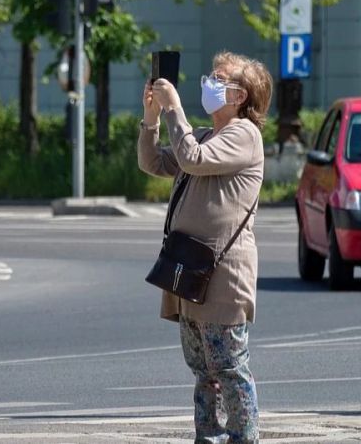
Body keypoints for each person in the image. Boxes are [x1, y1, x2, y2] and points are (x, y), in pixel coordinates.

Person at [138, 51, 273, 444]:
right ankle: (209, 437)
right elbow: (153, 162)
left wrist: (174, 109)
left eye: (220, 79)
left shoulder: (244, 135)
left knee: (229, 367)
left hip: (223, 275)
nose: (209, 84)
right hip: (191, 269)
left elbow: (193, 161)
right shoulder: (201, 134)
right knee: (203, 370)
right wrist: (152, 117)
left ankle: (244, 437)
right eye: (210, 75)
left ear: (240, 96)